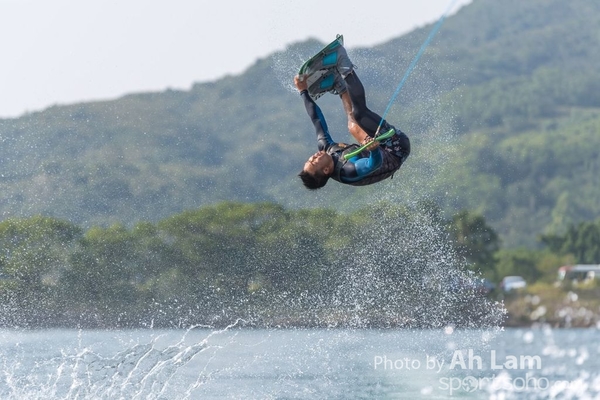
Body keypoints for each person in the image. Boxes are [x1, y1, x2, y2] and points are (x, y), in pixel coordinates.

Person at [295, 45, 410, 189]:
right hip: (396, 149)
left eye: (309, 159)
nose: (313, 156)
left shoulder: (326, 148)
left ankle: (339, 84)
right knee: (359, 114)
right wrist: (374, 150)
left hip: (379, 148)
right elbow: (372, 164)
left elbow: (317, 119)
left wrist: (303, 91)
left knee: (352, 126)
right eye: (313, 161)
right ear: (325, 170)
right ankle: (343, 62)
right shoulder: (349, 171)